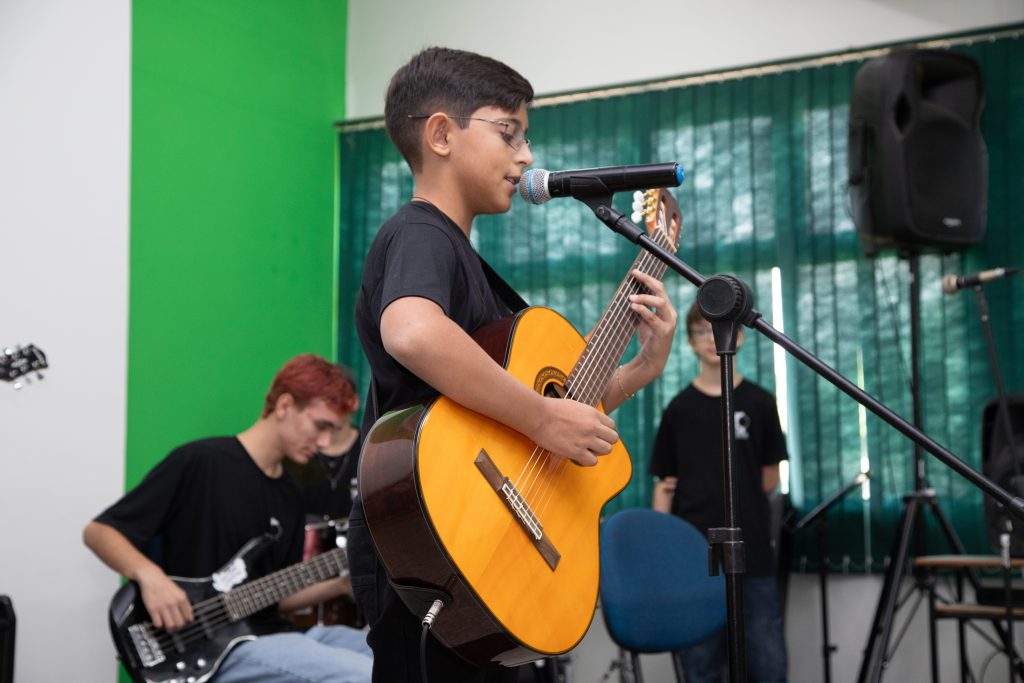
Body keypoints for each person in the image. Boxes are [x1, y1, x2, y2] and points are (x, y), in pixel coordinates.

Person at [347, 46, 678, 683]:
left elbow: (541, 410)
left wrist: (640, 369)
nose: (526, 156)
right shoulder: (420, 232)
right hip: (435, 535)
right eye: (509, 133)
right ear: (441, 134)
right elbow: (412, 333)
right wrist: (544, 419)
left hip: (473, 539)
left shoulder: (462, 259)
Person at [83, 353, 373, 683]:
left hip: (274, 632)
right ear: (284, 405)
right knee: (362, 676)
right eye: (320, 426)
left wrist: (340, 584)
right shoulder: (202, 462)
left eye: (333, 431)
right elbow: (99, 531)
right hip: (213, 648)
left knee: (397, 659)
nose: (324, 443)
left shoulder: (291, 493)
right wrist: (150, 576)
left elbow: (276, 598)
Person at [650, 300, 789, 683]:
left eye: (721, 330)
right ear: (690, 342)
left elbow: (770, 477)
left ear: (739, 336)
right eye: (702, 331)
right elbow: (664, 484)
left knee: (768, 667)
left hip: (753, 554)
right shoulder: (678, 410)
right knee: (700, 668)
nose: (713, 339)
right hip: (695, 556)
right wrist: (665, 550)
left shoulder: (761, 403)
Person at [284, 363, 363, 628]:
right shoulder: (295, 454)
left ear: (354, 403)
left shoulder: (372, 451)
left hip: (355, 597)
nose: (324, 440)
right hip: (299, 586)